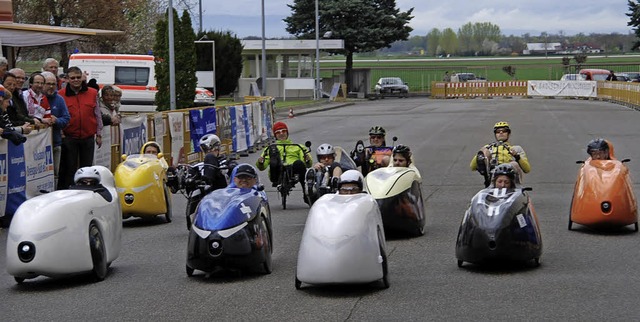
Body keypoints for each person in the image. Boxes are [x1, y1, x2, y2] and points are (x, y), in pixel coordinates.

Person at [58, 66, 103, 189]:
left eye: (78, 77)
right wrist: (61, 132)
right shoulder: (60, 95)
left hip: (88, 136)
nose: (76, 80)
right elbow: (59, 114)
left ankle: (86, 190)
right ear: (67, 79)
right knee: (69, 167)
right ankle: (68, 190)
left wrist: (99, 133)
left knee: (87, 168)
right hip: (69, 136)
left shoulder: (92, 93)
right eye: (73, 78)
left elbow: (97, 114)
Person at [256, 121, 312, 203]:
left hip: (294, 171)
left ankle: (305, 191)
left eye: (283, 131)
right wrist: (260, 162)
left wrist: (307, 160)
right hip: (277, 171)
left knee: (299, 163)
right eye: (278, 132)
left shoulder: (298, 147)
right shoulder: (271, 148)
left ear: (287, 132)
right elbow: (262, 167)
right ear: (275, 135)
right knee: (274, 161)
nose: (281, 134)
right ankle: (278, 181)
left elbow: (308, 164)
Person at [470, 121, 530, 187]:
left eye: (504, 131)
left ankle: (518, 187)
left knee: (514, 164)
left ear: (508, 134)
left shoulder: (516, 148)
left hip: (511, 178)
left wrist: (517, 156)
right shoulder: (488, 148)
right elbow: (472, 167)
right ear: (495, 134)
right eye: (498, 132)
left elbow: (527, 169)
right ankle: (488, 181)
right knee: (485, 151)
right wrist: (481, 153)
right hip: (493, 176)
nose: (501, 133)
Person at [41, 71, 70, 188]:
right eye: (48, 84)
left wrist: (56, 121)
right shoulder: (35, 98)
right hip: (37, 145)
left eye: (54, 84)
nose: (51, 86)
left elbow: (66, 118)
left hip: (55, 143)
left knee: (54, 174)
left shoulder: (59, 99)